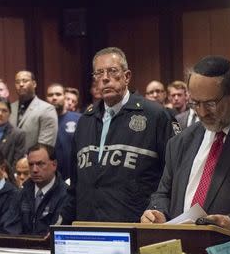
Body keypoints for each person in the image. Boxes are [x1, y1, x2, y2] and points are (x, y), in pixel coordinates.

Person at [141, 56, 230, 238]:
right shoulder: (181, 141)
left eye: (210, 103)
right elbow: (162, 194)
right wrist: (157, 212)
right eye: (195, 103)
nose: (202, 113)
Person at [60, 47, 178, 224]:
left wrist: (159, 212)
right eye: (99, 73)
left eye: (112, 71)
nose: (105, 78)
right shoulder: (85, 120)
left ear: (127, 76)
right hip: (89, 229)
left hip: (136, 227)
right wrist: (61, 223)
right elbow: (75, 187)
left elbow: (174, 177)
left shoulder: (155, 116)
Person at [19, 144, 68, 235]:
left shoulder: (66, 195)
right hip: (22, 247)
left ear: (54, 165)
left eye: (40, 164)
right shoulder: (22, 192)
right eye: (31, 164)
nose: (34, 170)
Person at [9, 70, 58, 150]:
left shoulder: (47, 109)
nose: (21, 84)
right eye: (17, 82)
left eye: (25, 81)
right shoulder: (10, 108)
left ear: (34, 84)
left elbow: (45, 144)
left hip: (34, 160)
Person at [46, 83, 81, 180]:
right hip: (49, 176)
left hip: (74, 175)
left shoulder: (79, 119)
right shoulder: (42, 120)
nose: (54, 98)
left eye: (58, 94)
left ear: (64, 97)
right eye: (50, 95)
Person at [0, 97, 26, 167]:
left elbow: (17, 162)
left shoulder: (18, 134)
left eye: (4, 111)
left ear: (10, 113)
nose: (0, 114)